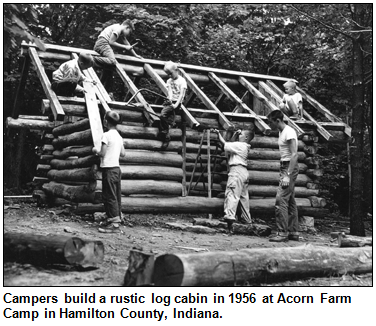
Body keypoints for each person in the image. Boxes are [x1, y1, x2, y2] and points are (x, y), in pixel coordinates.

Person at [267, 110, 300, 242]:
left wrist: (288, 175)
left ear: (278, 121)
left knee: (280, 200)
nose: (269, 125)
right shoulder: (281, 132)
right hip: (284, 166)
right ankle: (293, 232)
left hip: (289, 168)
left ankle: (282, 233)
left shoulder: (289, 132)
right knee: (290, 200)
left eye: (270, 122)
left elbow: (294, 155)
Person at [212, 128, 253, 231]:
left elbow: (225, 144)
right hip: (243, 172)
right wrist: (236, 134)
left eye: (241, 134)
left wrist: (218, 134)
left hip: (236, 171)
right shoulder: (244, 146)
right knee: (243, 197)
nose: (239, 135)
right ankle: (247, 219)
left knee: (232, 193)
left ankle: (229, 217)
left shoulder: (240, 146)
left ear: (246, 137)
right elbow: (232, 143)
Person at [93, 111, 126, 233]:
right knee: (115, 195)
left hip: (109, 169)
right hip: (117, 169)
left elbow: (102, 153)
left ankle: (115, 224)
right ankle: (113, 217)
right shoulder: (119, 136)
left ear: (106, 121)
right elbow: (123, 154)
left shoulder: (106, 135)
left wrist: (95, 150)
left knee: (109, 195)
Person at [93, 20, 142, 93]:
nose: (129, 34)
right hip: (102, 43)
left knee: (108, 69)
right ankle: (92, 59)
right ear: (127, 27)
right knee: (112, 61)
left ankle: (103, 91)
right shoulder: (118, 29)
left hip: (102, 43)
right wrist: (125, 47)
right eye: (130, 32)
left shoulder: (120, 29)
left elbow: (127, 44)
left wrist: (135, 55)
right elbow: (111, 42)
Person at [158, 61, 187, 149]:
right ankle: (167, 127)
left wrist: (176, 105)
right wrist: (169, 100)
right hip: (171, 101)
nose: (170, 76)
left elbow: (182, 95)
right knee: (163, 116)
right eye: (168, 74)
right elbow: (170, 92)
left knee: (163, 115)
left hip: (177, 103)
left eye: (171, 73)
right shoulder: (169, 81)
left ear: (176, 70)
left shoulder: (182, 81)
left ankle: (165, 135)